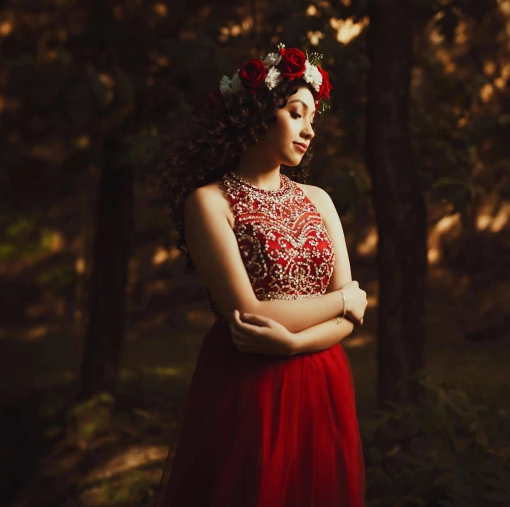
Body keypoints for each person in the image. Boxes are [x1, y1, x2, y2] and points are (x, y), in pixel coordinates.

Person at [152, 43, 368, 507]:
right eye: (296, 112)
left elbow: (349, 325)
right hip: (249, 382)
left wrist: (294, 343)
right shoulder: (208, 202)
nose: (309, 129)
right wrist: (348, 299)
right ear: (256, 113)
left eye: (313, 117)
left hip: (324, 376)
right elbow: (248, 314)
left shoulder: (319, 200)